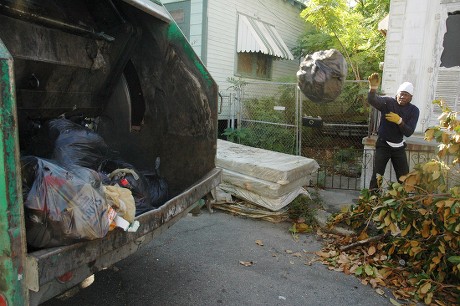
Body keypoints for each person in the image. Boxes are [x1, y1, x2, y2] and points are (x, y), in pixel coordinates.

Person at [367, 72, 420, 191]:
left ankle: (402, 202)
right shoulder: (388, 102)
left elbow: (409, 132)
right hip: (383, 144)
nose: (402, 97)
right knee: (377, 175)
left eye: (406, 95)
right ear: (397, 94)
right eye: (401, 94)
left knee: (404, 178)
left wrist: (400, 121)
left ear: (411, 98)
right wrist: (373, 89)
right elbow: (372, 100)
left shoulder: (413, 110)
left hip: (399, 147)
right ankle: (372, 201)